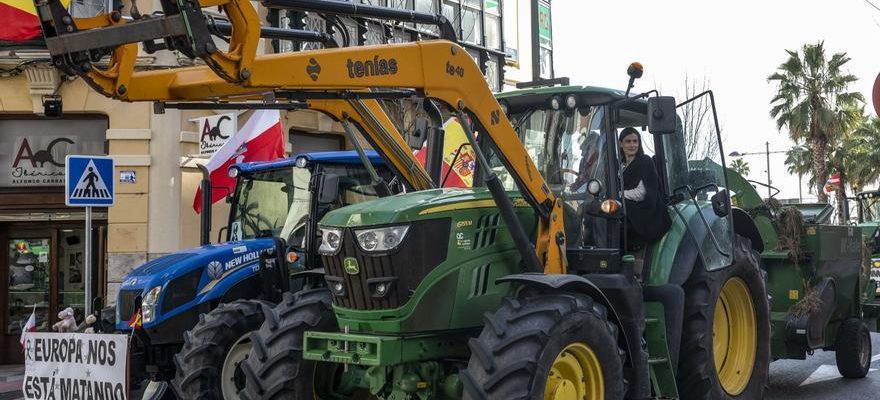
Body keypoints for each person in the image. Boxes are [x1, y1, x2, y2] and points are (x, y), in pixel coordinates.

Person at [619, 127, 670, 252]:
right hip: (625, 205)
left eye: (635, 141)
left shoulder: (644, 162)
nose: (632, 145)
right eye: (628, 141)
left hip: (644, 209)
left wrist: (618, 194)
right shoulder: (619, 165)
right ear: (620, 144)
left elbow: (641, 193)